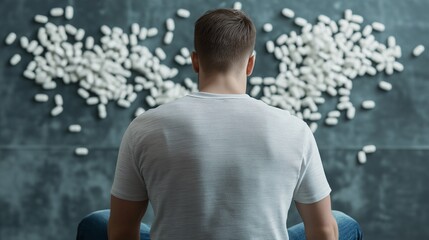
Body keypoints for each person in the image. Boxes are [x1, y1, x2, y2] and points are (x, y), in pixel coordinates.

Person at [77, 8, 363, 240]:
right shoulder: (295, 130)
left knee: (99, 222)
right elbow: (323, 232)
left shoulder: (145, 127)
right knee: (340, 223)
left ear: (195, 61)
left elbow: (122, 231)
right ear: (250, 64)